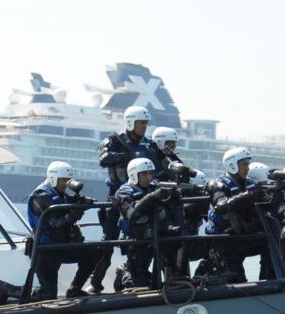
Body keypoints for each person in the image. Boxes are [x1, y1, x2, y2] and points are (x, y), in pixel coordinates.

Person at [88, 106, 152, 294]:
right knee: (108, 242)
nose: (144, 126)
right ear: (131, 122)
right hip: (116, 197)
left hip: (140, 197)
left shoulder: (148, 144)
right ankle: (95, 282)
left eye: (146, 123)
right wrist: (128, 157)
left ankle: (129, 273)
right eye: (141, 123)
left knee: (141, 239)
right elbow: (104, 158)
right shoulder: (114, 140)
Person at [27, 161, 99, 300]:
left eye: (68, 180)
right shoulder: (40, 196)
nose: (65, 184)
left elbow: (71, 205)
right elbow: (57, 224)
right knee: (48, 294)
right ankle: (7, 290)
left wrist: (82, 202)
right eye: (63, 180)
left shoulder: (62, 195)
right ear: (53, 178)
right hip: (45, 251)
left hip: (61, 246)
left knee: (94, 252)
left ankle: (75, 289)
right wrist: (77, 210)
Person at [115, 158, 185, 288]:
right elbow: (132, 214)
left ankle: (174, 279)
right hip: (137, 240)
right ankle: (123, 272)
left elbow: (171, 210)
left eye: (150, 173)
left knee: (174, 249)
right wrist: (153, 196)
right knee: (139, 283)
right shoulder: (124, 192)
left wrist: (172, 195)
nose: (148, 177)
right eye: (144, 174)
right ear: (134, 174)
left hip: (159, 235)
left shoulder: (155, 186)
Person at [205, 147, 271, 282]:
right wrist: (247, 196)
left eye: (248, 164)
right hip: (223, 240)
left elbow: (269, 204)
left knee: (271, 236)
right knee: (235, 277)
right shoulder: (217, 184)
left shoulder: (251, 184)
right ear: (232, 165)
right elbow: (221, 206)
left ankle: (270, 277)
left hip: (242, 236)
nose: (247, 168)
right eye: (244, 164)